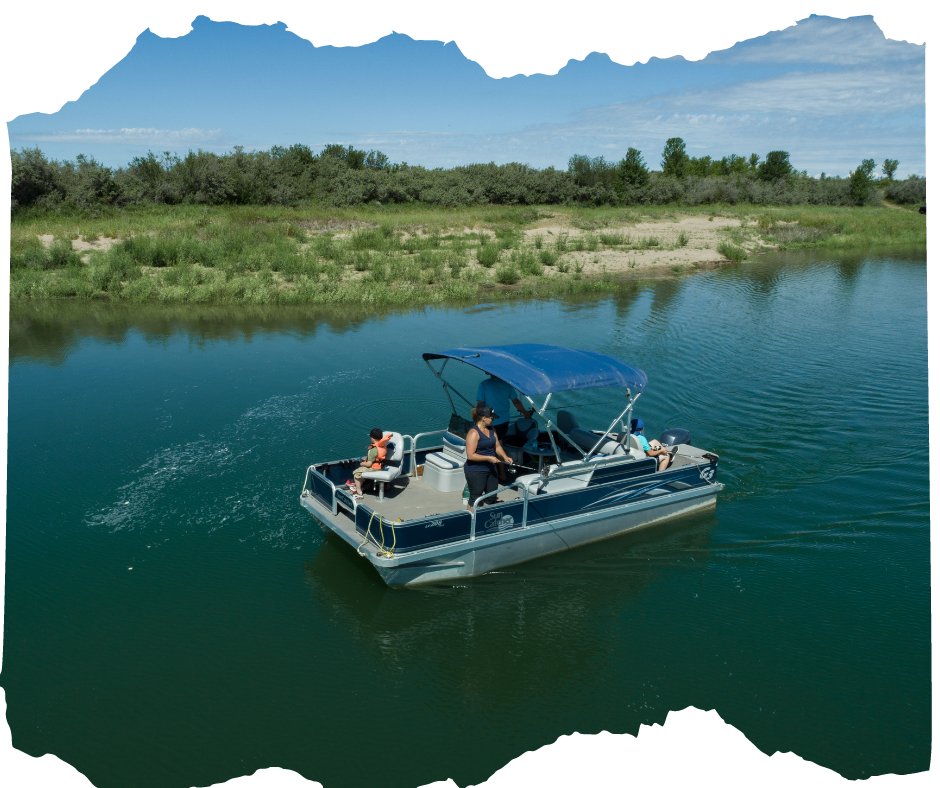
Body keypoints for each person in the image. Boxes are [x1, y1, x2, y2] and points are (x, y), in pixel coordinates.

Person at [476, 373, 532, 481]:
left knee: (497, 446)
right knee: (497, 444)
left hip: (492, 421)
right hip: (505, 420)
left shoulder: (483, 385)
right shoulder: (507, 384)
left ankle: (502, 474)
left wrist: (478, 421)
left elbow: (480, 405)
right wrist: (525, 413)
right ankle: (499, 470)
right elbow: (516, 402)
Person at [464, 406, 513, 511]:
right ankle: (472, 520)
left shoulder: (491, 429)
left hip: (491, 468)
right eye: (492, 418)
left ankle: (484, 516)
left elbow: (497, 446)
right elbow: (470, 455)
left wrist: (505, 457)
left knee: (491, 496)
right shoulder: (473, 433)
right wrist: (489, 458)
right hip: (476, 470)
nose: (493, 420)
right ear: (484, 418)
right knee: (475, 498)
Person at [349, 428, 391, 500]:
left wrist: (362, 463)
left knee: (356, 472)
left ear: (373, 439)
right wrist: (367, 460)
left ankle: (359, 491)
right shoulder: (382, 445)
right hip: (381, 466)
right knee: (360, 470)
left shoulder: (373, 449)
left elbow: (368, 465)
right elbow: (377, 458)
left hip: (374, 468)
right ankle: (361, 485)